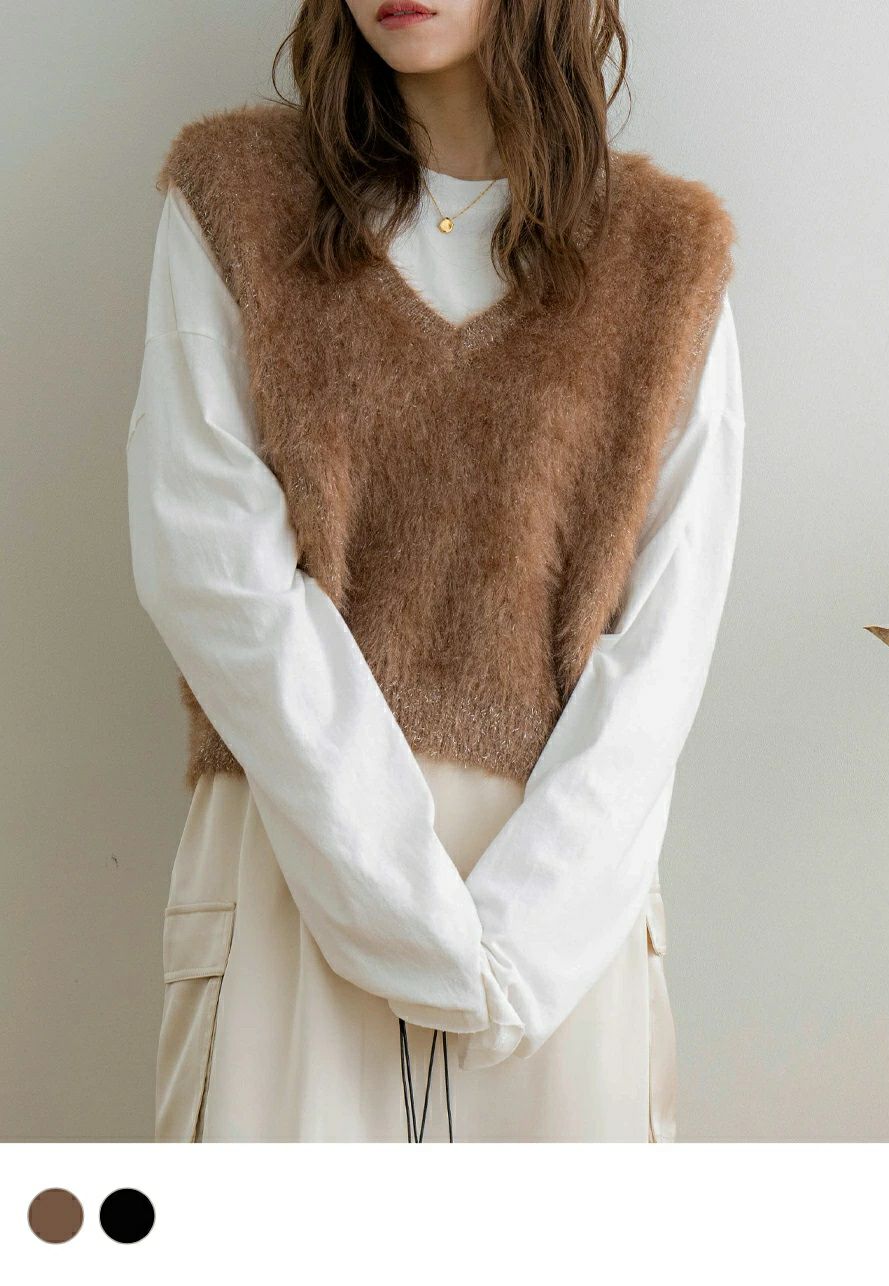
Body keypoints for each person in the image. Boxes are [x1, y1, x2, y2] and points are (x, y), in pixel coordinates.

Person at [126, 0, 745, 1142]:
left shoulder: (666, 252)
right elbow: (208, 569)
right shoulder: (234, 196)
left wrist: (511, 951)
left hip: (557, 899)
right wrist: (402, 909)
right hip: (293, 858)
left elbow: (666, 637)